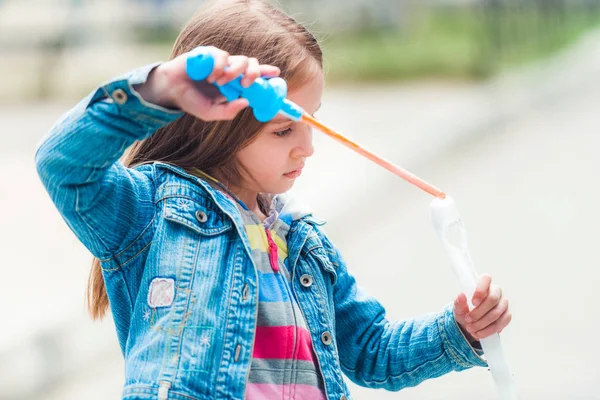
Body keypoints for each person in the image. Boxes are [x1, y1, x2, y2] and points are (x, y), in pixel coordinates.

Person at [34, 0, 512, 399]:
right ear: (216, 120)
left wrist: (460, 330)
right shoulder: (153, 212)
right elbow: (63, 164)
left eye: (313, 120)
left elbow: (371, 349)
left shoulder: (302, 244)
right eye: (284, 129)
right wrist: (161, 90)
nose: (307, 145)